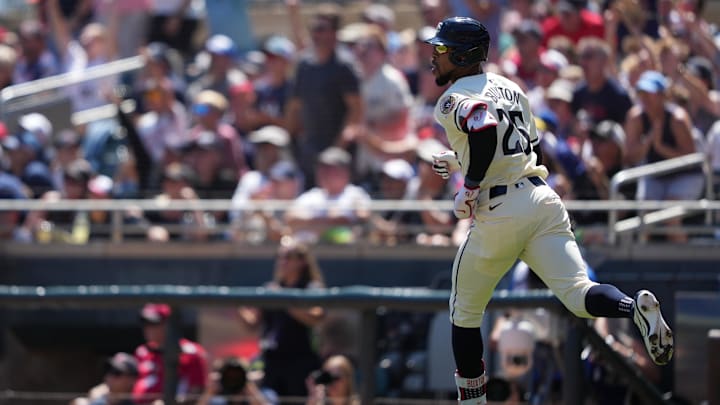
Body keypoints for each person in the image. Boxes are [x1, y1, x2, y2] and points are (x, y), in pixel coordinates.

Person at [423, 17, 673, 404]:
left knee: (464, 310)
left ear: (462, 54)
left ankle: (472, 401)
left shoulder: (453, 98)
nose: (433, 58)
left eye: (440, 50)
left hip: (501, 207)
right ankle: (631, 305)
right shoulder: (511, 88)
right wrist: (458, 160)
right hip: (542, 198)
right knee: (578, 293)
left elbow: (484, 127)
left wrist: (470, 186)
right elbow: (524, 152)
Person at [237, 239, 326, 402]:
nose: (282, 262)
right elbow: (253, 324)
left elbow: (316, 317)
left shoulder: (311, 287)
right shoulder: (271, 288)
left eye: (288, 257)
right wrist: (238, 307)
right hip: (272, 361)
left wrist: (284, 300)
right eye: (280, 257)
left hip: (301, 361)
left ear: (302, 261)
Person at [133, 302, 209, 403]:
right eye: (145, 323)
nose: (148, 329)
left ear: (169, 324)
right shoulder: (141, 352)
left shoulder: (191, 352)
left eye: (153, 323)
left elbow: (196, 392)